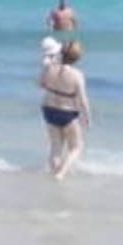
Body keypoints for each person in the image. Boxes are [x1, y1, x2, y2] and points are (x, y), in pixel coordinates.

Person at [37, 40, 92, 179]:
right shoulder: (77, 75)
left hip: (48, 109)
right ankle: (61, 174)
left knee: (56, 147)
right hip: (67, 113)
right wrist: (88, 118)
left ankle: (54, 172)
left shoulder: (50, 68)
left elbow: (39, 84)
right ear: (77, 58)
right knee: (76, 147)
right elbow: (82, 100)